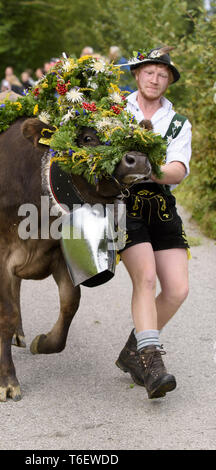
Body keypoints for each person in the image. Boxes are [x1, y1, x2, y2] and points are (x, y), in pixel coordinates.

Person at [115, 47, 192, 399]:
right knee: (144, 278)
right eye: (149, 72)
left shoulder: (178, 123)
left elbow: (178, 169)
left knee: (177, 290)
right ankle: (151, 361)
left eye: (163, 74)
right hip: (122, 203)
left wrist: (147, 168)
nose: (155, 78)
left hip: (161, 204)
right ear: (137, 74)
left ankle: (133, 349)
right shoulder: (114, 109)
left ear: (169, 81)